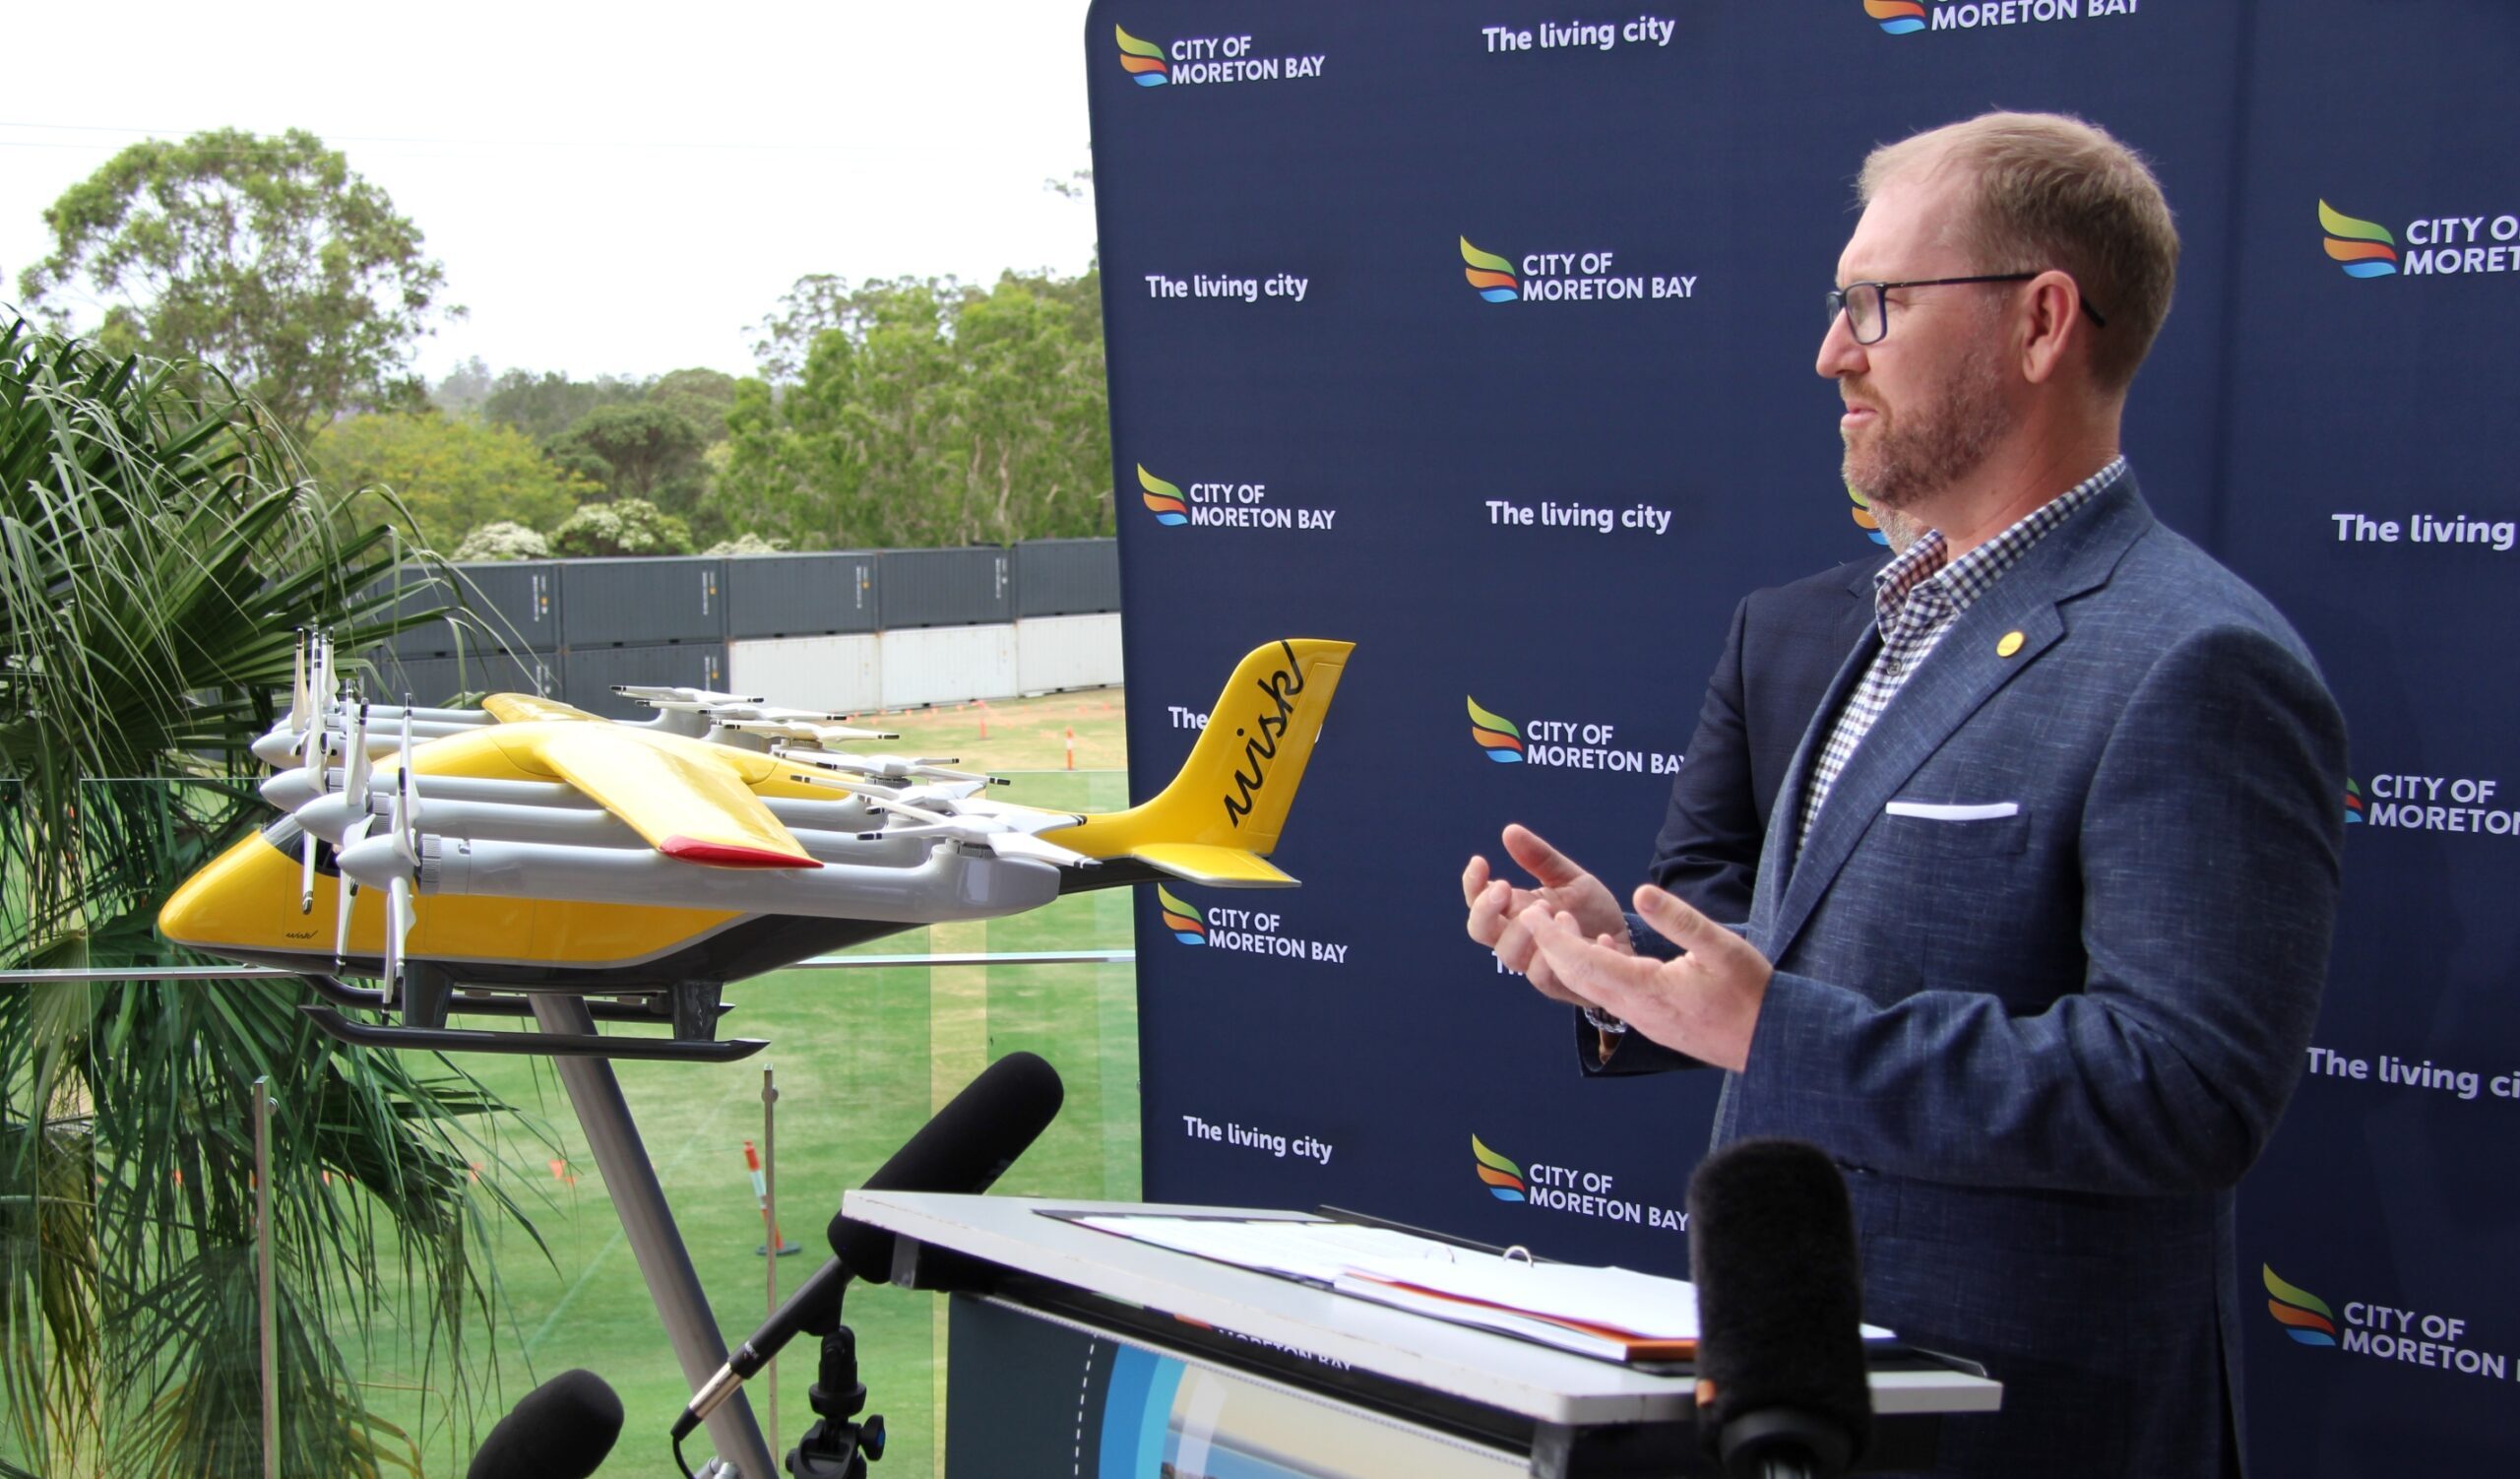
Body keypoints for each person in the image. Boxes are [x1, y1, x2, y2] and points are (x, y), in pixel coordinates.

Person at [1464, 112, 2346, 1479]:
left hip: (2022, 1425)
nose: (1833, 351)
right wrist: (1634, 974)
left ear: (2042, 322)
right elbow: (1834, 964)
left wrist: (1773, 1025)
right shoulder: (1894, 620)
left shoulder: (2195, 656)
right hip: (1803, 1390)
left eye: (1877, 303)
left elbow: (2185, 1090)